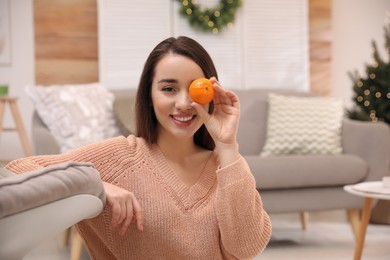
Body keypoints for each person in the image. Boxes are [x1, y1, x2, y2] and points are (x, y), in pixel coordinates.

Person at [6, 36, 271, 259]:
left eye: (194, 89)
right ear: (149, 95)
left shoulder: (228, 168)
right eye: (169, 88)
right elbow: (17, 170)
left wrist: (226, 146)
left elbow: (246, 249)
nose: (183, 103)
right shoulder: (120, 156)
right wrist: (95, 184)